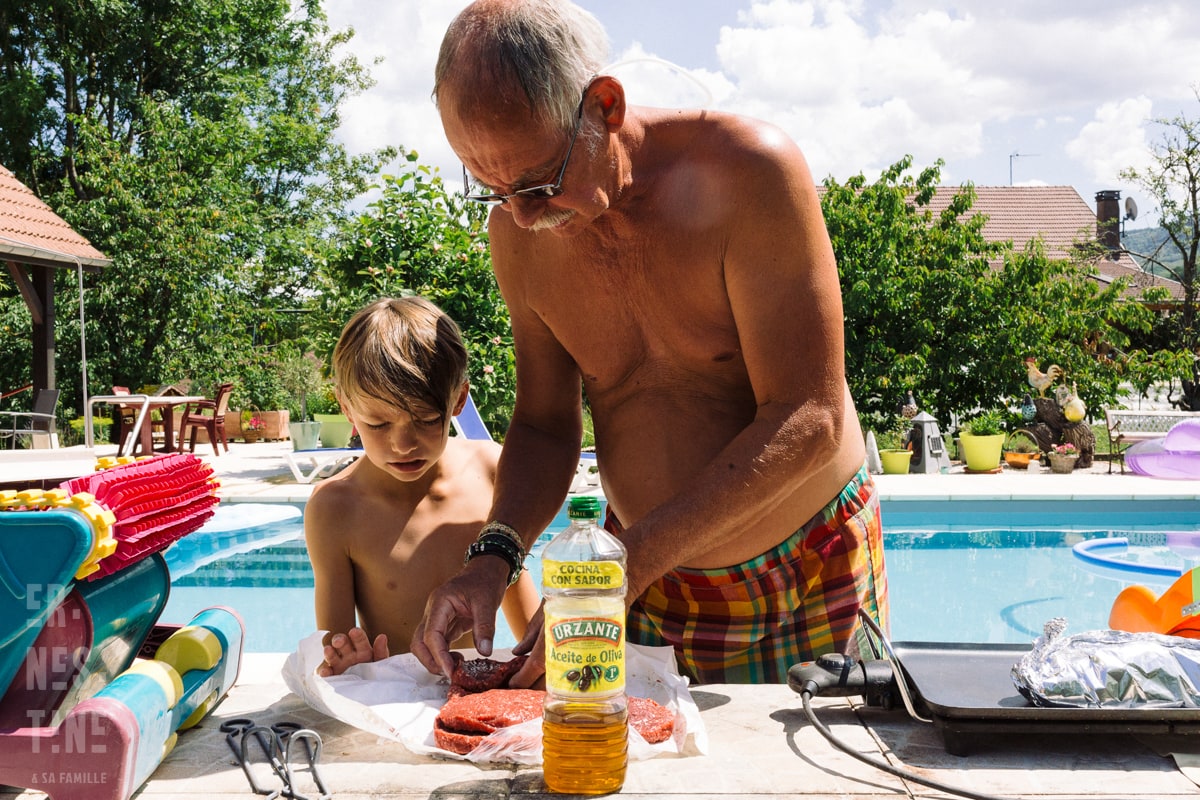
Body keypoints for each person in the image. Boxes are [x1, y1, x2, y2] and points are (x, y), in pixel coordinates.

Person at [413, 0, 888, 685]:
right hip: (645, 577)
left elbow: (810, 416)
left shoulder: (751, 174)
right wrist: (493, 556)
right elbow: (545, 425)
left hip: (808, 567)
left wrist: (629, 561)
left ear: (604, 106)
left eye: (539, 181)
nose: (521, 214)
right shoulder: (519, 233)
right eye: (489, 188)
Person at [305, 296, 540, 676]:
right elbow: (334, 652)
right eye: (378, 425)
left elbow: (527, 625)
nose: (402, 444)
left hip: (479, 691)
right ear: (347, 409)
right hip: (394, 702)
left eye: (428, 419)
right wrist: (352, 663)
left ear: (458, 399)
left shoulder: (492, 470)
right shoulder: (335, 509)